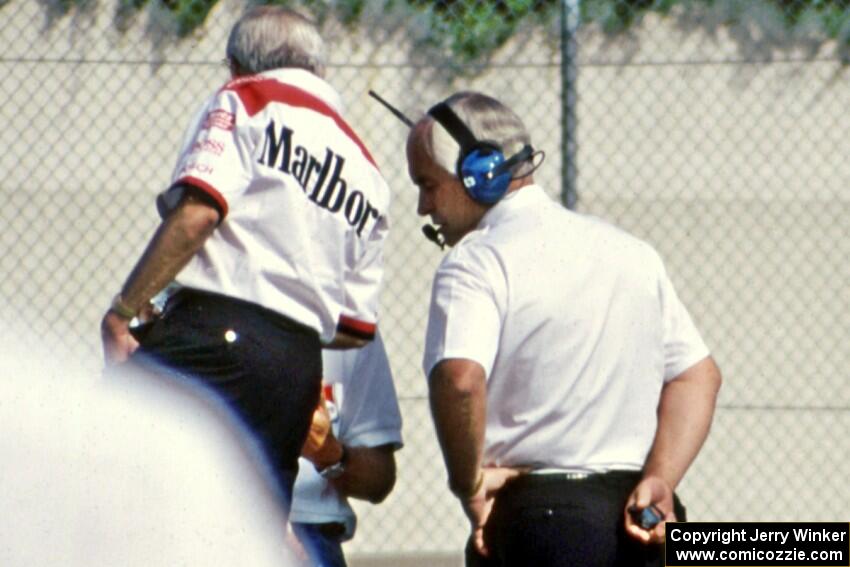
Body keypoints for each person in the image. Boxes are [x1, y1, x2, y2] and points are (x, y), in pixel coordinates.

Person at [406, 91, 722, 566]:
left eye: (428, 185)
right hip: (639, 517)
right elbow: (698, 375)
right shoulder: (631, 252)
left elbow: (459, 380)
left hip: (541, 519)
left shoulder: (475, 262)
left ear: (482, 173)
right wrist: (661, 479)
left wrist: (468, 485)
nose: (422, 207)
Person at [100, 6, 390, 520]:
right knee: (246, 529)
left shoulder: (247, 99)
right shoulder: (366, 167)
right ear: (318, 69)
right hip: (298, 364)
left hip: (216, 331)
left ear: (238, 65)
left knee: (125, 494)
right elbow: (353, 326)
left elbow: (198, 214)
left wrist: (125, 309)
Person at [288, 332, 403, 567]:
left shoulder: (345, 317)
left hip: (313, 532)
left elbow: (379, 480)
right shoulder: (210, 307)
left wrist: (328, 454)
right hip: (220, 525)